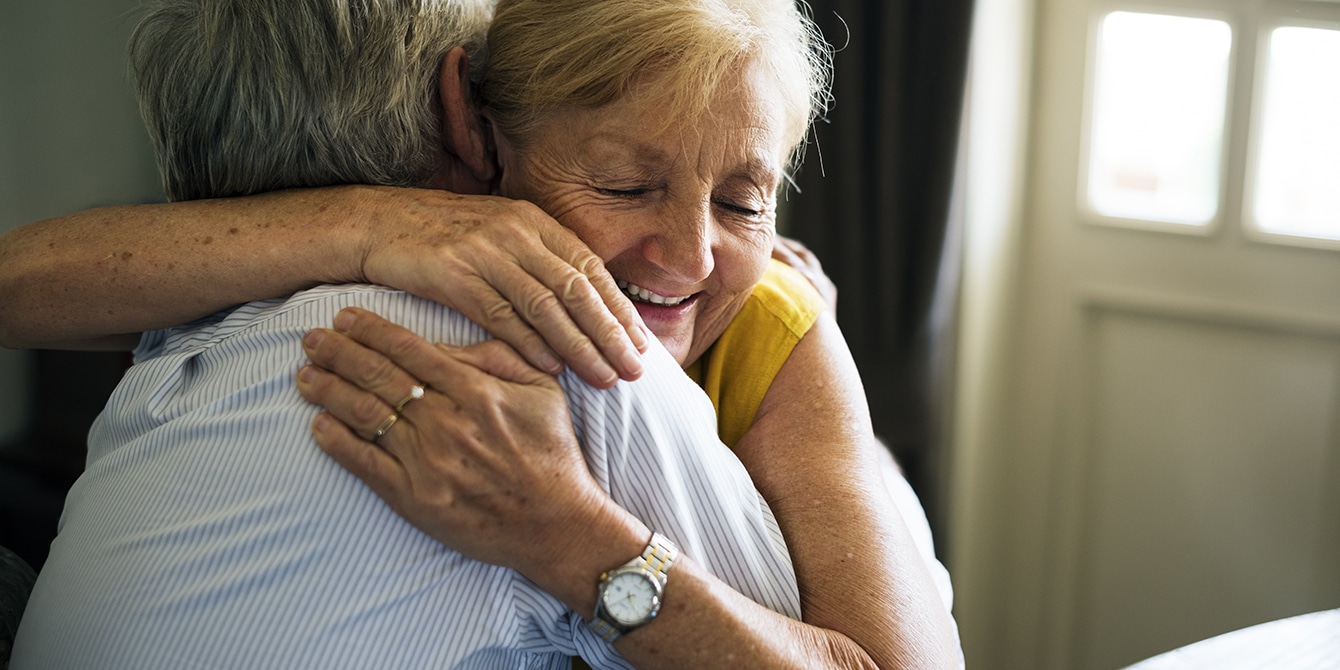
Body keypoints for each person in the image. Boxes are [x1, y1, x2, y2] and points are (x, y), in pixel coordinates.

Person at [6, 0, 963, 666]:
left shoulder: (180, 321)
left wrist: (571, 538)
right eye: (625, 185)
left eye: (746, 201)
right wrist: (370, 224)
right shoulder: (541, 335)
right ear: (486, 136)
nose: (692, 259)